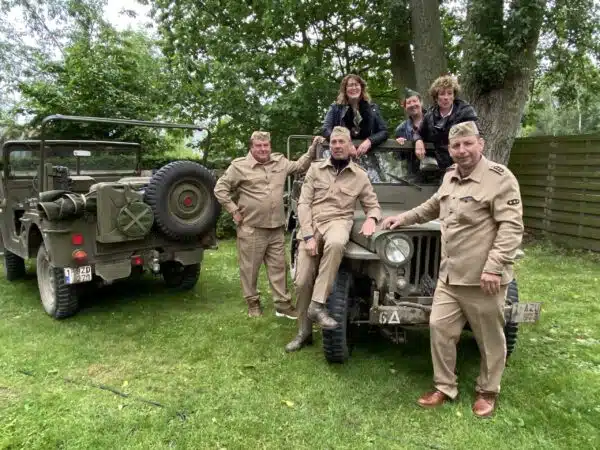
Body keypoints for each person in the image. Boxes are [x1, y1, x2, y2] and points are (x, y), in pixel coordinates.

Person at [381, 121, 524, 418]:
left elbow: (511, 228)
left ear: (480, 144)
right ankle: (445, 385)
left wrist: (494, 267)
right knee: (439, 328)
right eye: (456, 145)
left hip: (482, 278)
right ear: (450, 149)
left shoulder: (500, 179)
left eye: (468, 143)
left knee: (489, 338)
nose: (462, 150)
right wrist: (403, 219)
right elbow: (432, 206)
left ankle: (488, 390)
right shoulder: (450, 177)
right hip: (449, 275)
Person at [285, 126, 382, 352]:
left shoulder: (360, 175)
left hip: (339, 221)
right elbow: (303, 204)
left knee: (337, 243)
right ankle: (304, 332)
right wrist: (308, 236)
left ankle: (317, 304)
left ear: (350, 146)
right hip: (313, 223)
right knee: (302, 281)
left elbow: (373, 205)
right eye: (334, 142)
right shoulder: (315, 169)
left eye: (342, 142)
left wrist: (372, 218)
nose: (337, 146)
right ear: (330, 146)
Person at [214, 131, 322, 318]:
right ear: (251, 147)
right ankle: (253, 303)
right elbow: (220, 189)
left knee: (279, 267)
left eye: (266, 145)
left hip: (276, 228)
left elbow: (299, 166)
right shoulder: (239, 167)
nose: (263, 149)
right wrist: (233, 210)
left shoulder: (279, 162)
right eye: (259, 146)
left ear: (270, 146)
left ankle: (283, 305)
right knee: (250, 269)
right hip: (251, 228)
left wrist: (312, 149)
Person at [413, 75, 478, 171]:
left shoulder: (466, 112)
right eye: (442, 94)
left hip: (464, 162)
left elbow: (476, 137)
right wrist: (418, 141)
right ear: (436, 97)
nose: (446, 97)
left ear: (454, 95)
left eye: (450, 93)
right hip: (439, 167)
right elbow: (418, 133)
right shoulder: (429, 116)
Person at [321, 74, 389, 156]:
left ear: (361, 88)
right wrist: (346, 143)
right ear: (345, 89)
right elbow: (325, 130)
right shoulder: (336, 108)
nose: (354, 88)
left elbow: (384, 132)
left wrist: (369, 141)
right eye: (350, 85)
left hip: (368, 156)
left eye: (356, 85)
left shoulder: (372, 108)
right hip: (341, 156)